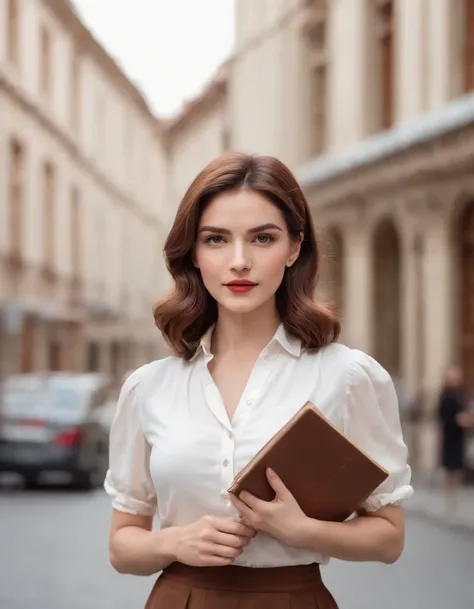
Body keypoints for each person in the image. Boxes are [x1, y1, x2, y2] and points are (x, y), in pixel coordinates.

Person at [104, 152, 414, 609]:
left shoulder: (348, 377)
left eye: (262, 238)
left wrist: (304, 531)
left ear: (294, 248)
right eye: (216, 239)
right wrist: (175, 543)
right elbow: (121, 545)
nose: (239, 261)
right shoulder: (149, 388)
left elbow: (389, 539)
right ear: (193, 252)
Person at [438, 365, 473, 515]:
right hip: (450, 438)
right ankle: (450, 502)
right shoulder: (446, 397)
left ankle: (453, 501)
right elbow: (448, 417)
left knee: (456, 470)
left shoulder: (460, 395)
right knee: (451, 470)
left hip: (458, 438)